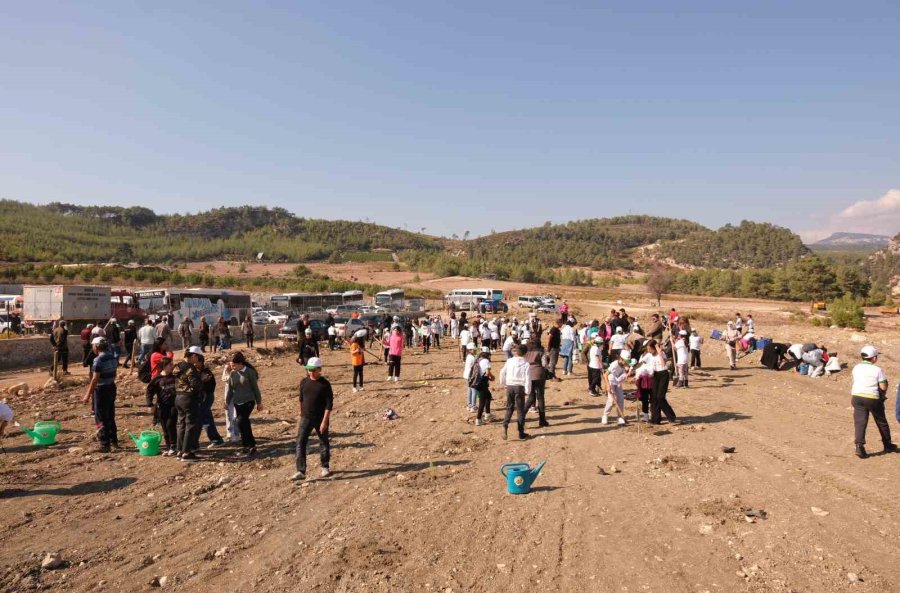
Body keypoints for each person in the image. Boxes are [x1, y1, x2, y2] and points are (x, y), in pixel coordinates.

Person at [291, 357, 333, 481]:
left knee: (323, 442)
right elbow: (301, 399)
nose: (311, 372)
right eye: (309, 370)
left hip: (320, 418)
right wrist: (301, 413)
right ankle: (301, 471)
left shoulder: (325, 384)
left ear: (319, 369)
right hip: (306, 418)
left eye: (313, 370)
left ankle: (325, 467)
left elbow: (329, 404)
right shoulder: (304, 382)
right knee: (300, 442)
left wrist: (325, 421)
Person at [851, 346, 897, 458]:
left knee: (860, 422)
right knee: (881, 421)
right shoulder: (877, 370)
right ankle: (888, 445)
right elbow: (883, 385)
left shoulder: (856, 368)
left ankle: (859, 446)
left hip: (856, 396)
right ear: (874, 358)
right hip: (872, 397)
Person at [82, 337, 119, 452]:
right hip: (111, 387)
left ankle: (104, 443)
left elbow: (95, 379)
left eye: (93, 345)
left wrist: (88, 394)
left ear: (96, 346)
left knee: (100, 417)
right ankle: (114, 441)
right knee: (110, 414)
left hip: (101, 390)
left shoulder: (98, 360)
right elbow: (115, 374)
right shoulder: (112, 356)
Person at [224, 351, 262, 457]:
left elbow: (255, 388)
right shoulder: (232, 373)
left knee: (241, 421)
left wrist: (259, 402)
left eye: (234, 365)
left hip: (248, 401)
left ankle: (250, 446)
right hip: (237, 402)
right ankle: (248, 446)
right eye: (231, 365)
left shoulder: (250, 372)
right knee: (243, 423)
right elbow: (230, 390)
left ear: (240, 363)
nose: (232, 367)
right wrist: (227, 402)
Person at [173, 347, 205, 462]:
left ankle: (179, 450)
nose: (198, 360)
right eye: (198, 357)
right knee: (190, 425)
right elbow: (195, 385)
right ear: (194, 356)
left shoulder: (178, 366)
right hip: (189, 399)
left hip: (178, 398)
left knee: (181, 425)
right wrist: (201, 380)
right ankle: (187, 452)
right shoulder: (190, 368)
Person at [499, 344, 532, 440]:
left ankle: (505, 425)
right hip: (519, 387)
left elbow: (502, 372)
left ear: (516, 352)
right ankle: (521, 433)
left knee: (509, 407)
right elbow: (528, 378)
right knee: (520, 410)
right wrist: (528, 390)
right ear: (525, 354)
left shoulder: (509, 361)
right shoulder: (526, 364)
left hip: (510, 386)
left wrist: (503, 384)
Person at [146, 356, 178, 455]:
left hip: (174, 405)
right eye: (170, 365)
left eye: (172, 364)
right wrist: (150, 404)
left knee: (170, 424)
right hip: (162, 406)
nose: (172, 366)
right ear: (164, 366)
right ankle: (169, 447)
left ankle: (174, 445)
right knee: (164, 427)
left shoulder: (175, 377)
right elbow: (149, 391)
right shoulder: (157, 379)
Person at [196, 353, 225, 449]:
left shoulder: (206, 373)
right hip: (201, 398)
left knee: (205, 418)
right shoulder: (195, 372)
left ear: (200, 361)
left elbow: (210, 387)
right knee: (201, 419)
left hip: (205, 398)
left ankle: (216, 440)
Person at [646, 339, 677, 425]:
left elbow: (663, 363)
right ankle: (655, 419)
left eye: (649, 349)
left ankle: (672, 417)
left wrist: (659, 352)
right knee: (654, 398)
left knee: (660, 397)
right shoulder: (649, 355)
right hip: (655, 375)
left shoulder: (662, 354)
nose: (648, 350)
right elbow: (644, 363)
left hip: (663, 374)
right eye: (647, 349)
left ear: (654, 348)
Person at [524, 337, 549, 428]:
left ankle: (522, 414)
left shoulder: (526, 350)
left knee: (531, 396)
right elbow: (544, 364)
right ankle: (542, 420)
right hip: (539, 374)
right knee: (540, 397)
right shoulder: (541, 350)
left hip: (528, 374)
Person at [603, 353, 631, 425]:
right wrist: (607, 385)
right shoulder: (614, 365)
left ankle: (619, 417)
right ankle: (605, 415)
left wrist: (627, 372)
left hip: (618, 383)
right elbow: (605, 374)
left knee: (621, 399)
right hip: (611, 383)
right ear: (621, 359)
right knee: (611, 400)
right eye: (626, 361)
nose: (627, 363)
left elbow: (623, 375)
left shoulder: (625, 365)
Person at [472, 351, 494, 426]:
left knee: (488, 396)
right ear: (488, 356)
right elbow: (487, 372)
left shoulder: (478, 360)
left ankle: (487, 414)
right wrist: (492, 377)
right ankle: (478, 419)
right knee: (482, 401)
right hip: (482, 382)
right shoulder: (486, 361)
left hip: (477, 382)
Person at [463, 342, 479, 412]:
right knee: (474, 391)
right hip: (471, 376)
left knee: (469, 390)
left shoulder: (469, 356)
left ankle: (469, 405)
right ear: (469, 350)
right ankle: (473, 406)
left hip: (467, 376)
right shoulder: (472, 358)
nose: (475, 351)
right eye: (473, 350)